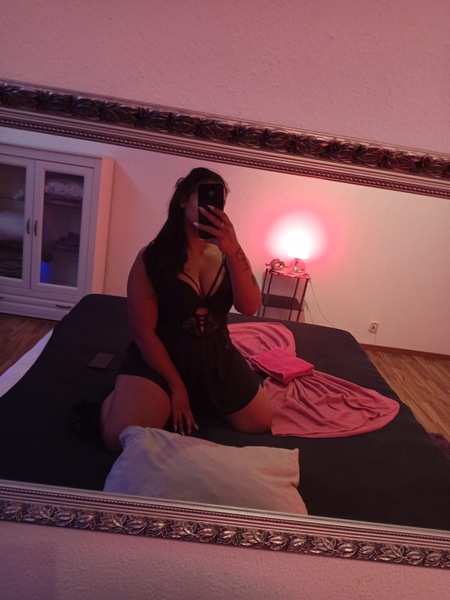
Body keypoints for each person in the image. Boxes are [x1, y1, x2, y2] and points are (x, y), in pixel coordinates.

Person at [100, 167, 272, 453]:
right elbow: (143, 333)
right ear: (182, 200)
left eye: (218, 202)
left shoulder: (228, 254)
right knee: (119, 438)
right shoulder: (152, 258)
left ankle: (190, 396)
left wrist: (234, 250)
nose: (212, 208)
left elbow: (250, 307)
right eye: (204, 198)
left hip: (216, 356)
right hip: (162, 358)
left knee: (259, 422)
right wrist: (176, 386)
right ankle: (118, 397)